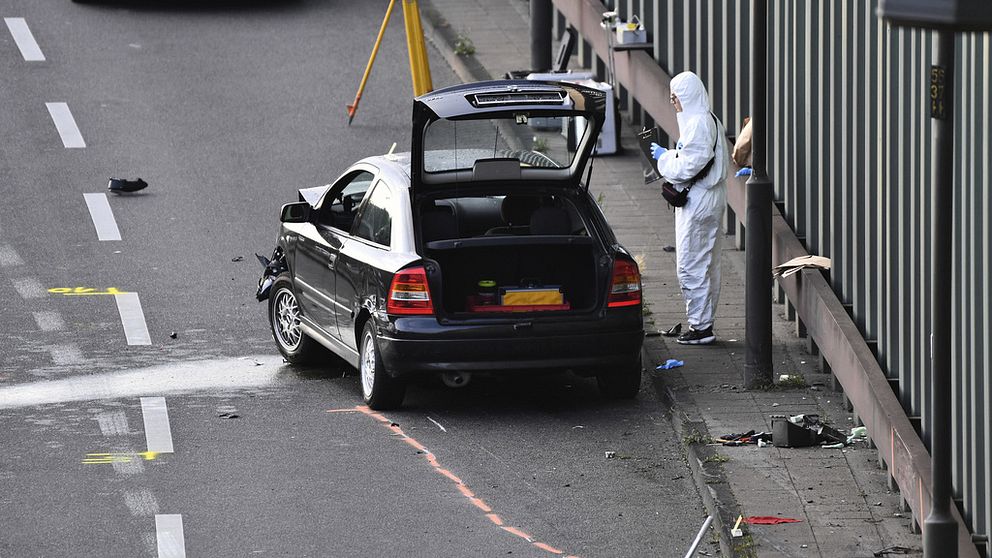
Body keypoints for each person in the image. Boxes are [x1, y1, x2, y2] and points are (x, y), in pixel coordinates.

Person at [648, 71, 728, 345]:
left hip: (699, 203)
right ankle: (703, 322)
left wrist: (664, 158)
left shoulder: (697, 125)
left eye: (677, 96)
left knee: (691, 265)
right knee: (707, 264)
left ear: (689, 96)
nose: (673, 102)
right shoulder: (708, 121)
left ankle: (700, 328)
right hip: (709, 198)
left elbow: (686, 167)